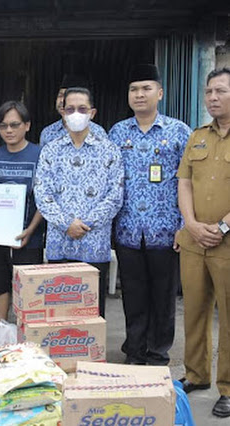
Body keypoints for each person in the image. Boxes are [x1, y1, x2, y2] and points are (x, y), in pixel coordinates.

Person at [108, 64, 191, 365]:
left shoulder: (179, 131)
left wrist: (184, 225)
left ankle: (158, 351)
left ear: (160, 93)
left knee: (163, 295)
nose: (139, 94)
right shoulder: (117, 132)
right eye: (134, 89)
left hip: (165, 230)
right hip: (128, 229)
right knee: (133, 295)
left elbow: (188, 181)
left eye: (146, 88)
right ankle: (135, 348)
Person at [35, 87, 124, 318]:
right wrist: (67, 223)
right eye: (71, 109)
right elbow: (42, 192)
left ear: (92, 113)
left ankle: (90, 355)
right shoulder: (50, 151)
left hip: (94, 243)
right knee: (59, 310)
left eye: (82, 109)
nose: (76, 114)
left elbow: (115, 195)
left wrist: (85, 224)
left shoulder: (109, 150)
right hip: (59, 242)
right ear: (62, 112)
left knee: (91, 311)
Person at [176, 67, 230, 418]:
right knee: (194, 310)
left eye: (221, 91)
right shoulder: (197, 136)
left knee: (228, 316)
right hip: (195, 240)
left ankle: (227, 387)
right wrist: (192, 225)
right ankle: (196, 374)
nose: (212, 97)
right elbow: (184, 183)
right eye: (209, 91)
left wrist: (223, 226)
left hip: (227, 243)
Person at [0, 101, 44, 321]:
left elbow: (45, 198)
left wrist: (31, 229)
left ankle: (26, 337)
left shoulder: (40, 155)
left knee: (28, 289)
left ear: (27, 125)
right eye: (3, 126)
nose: (9, 130)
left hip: (27, 237)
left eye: (15, 125)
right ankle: (0, 331)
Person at [39, 74, 108, 148]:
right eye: (61, 95)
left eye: (68, 97)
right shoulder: (48, 132)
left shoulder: (98, 132)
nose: (63, 100)